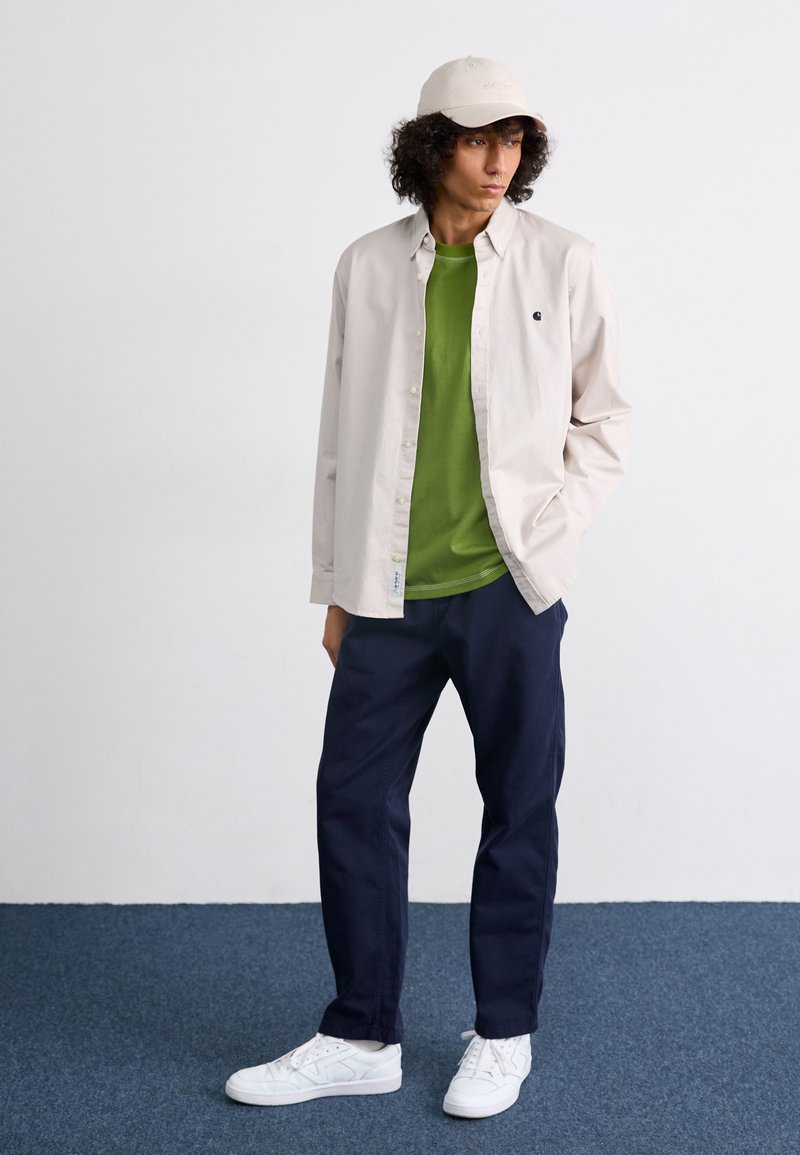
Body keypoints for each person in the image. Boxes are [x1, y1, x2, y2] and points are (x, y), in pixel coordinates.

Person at [226, 55, 632, 1120]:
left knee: (518, 808)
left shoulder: (565, 261)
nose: (498, 159)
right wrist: (335, 586)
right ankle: (360, 1032)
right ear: (430, 146)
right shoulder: (366, 266)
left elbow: (604, 419)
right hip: (385, 592)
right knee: (353, 803)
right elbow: (338, 435)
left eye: (514, 139)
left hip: (509, 588)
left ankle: (502, 1033)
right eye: (476, 138)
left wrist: (548, 537)